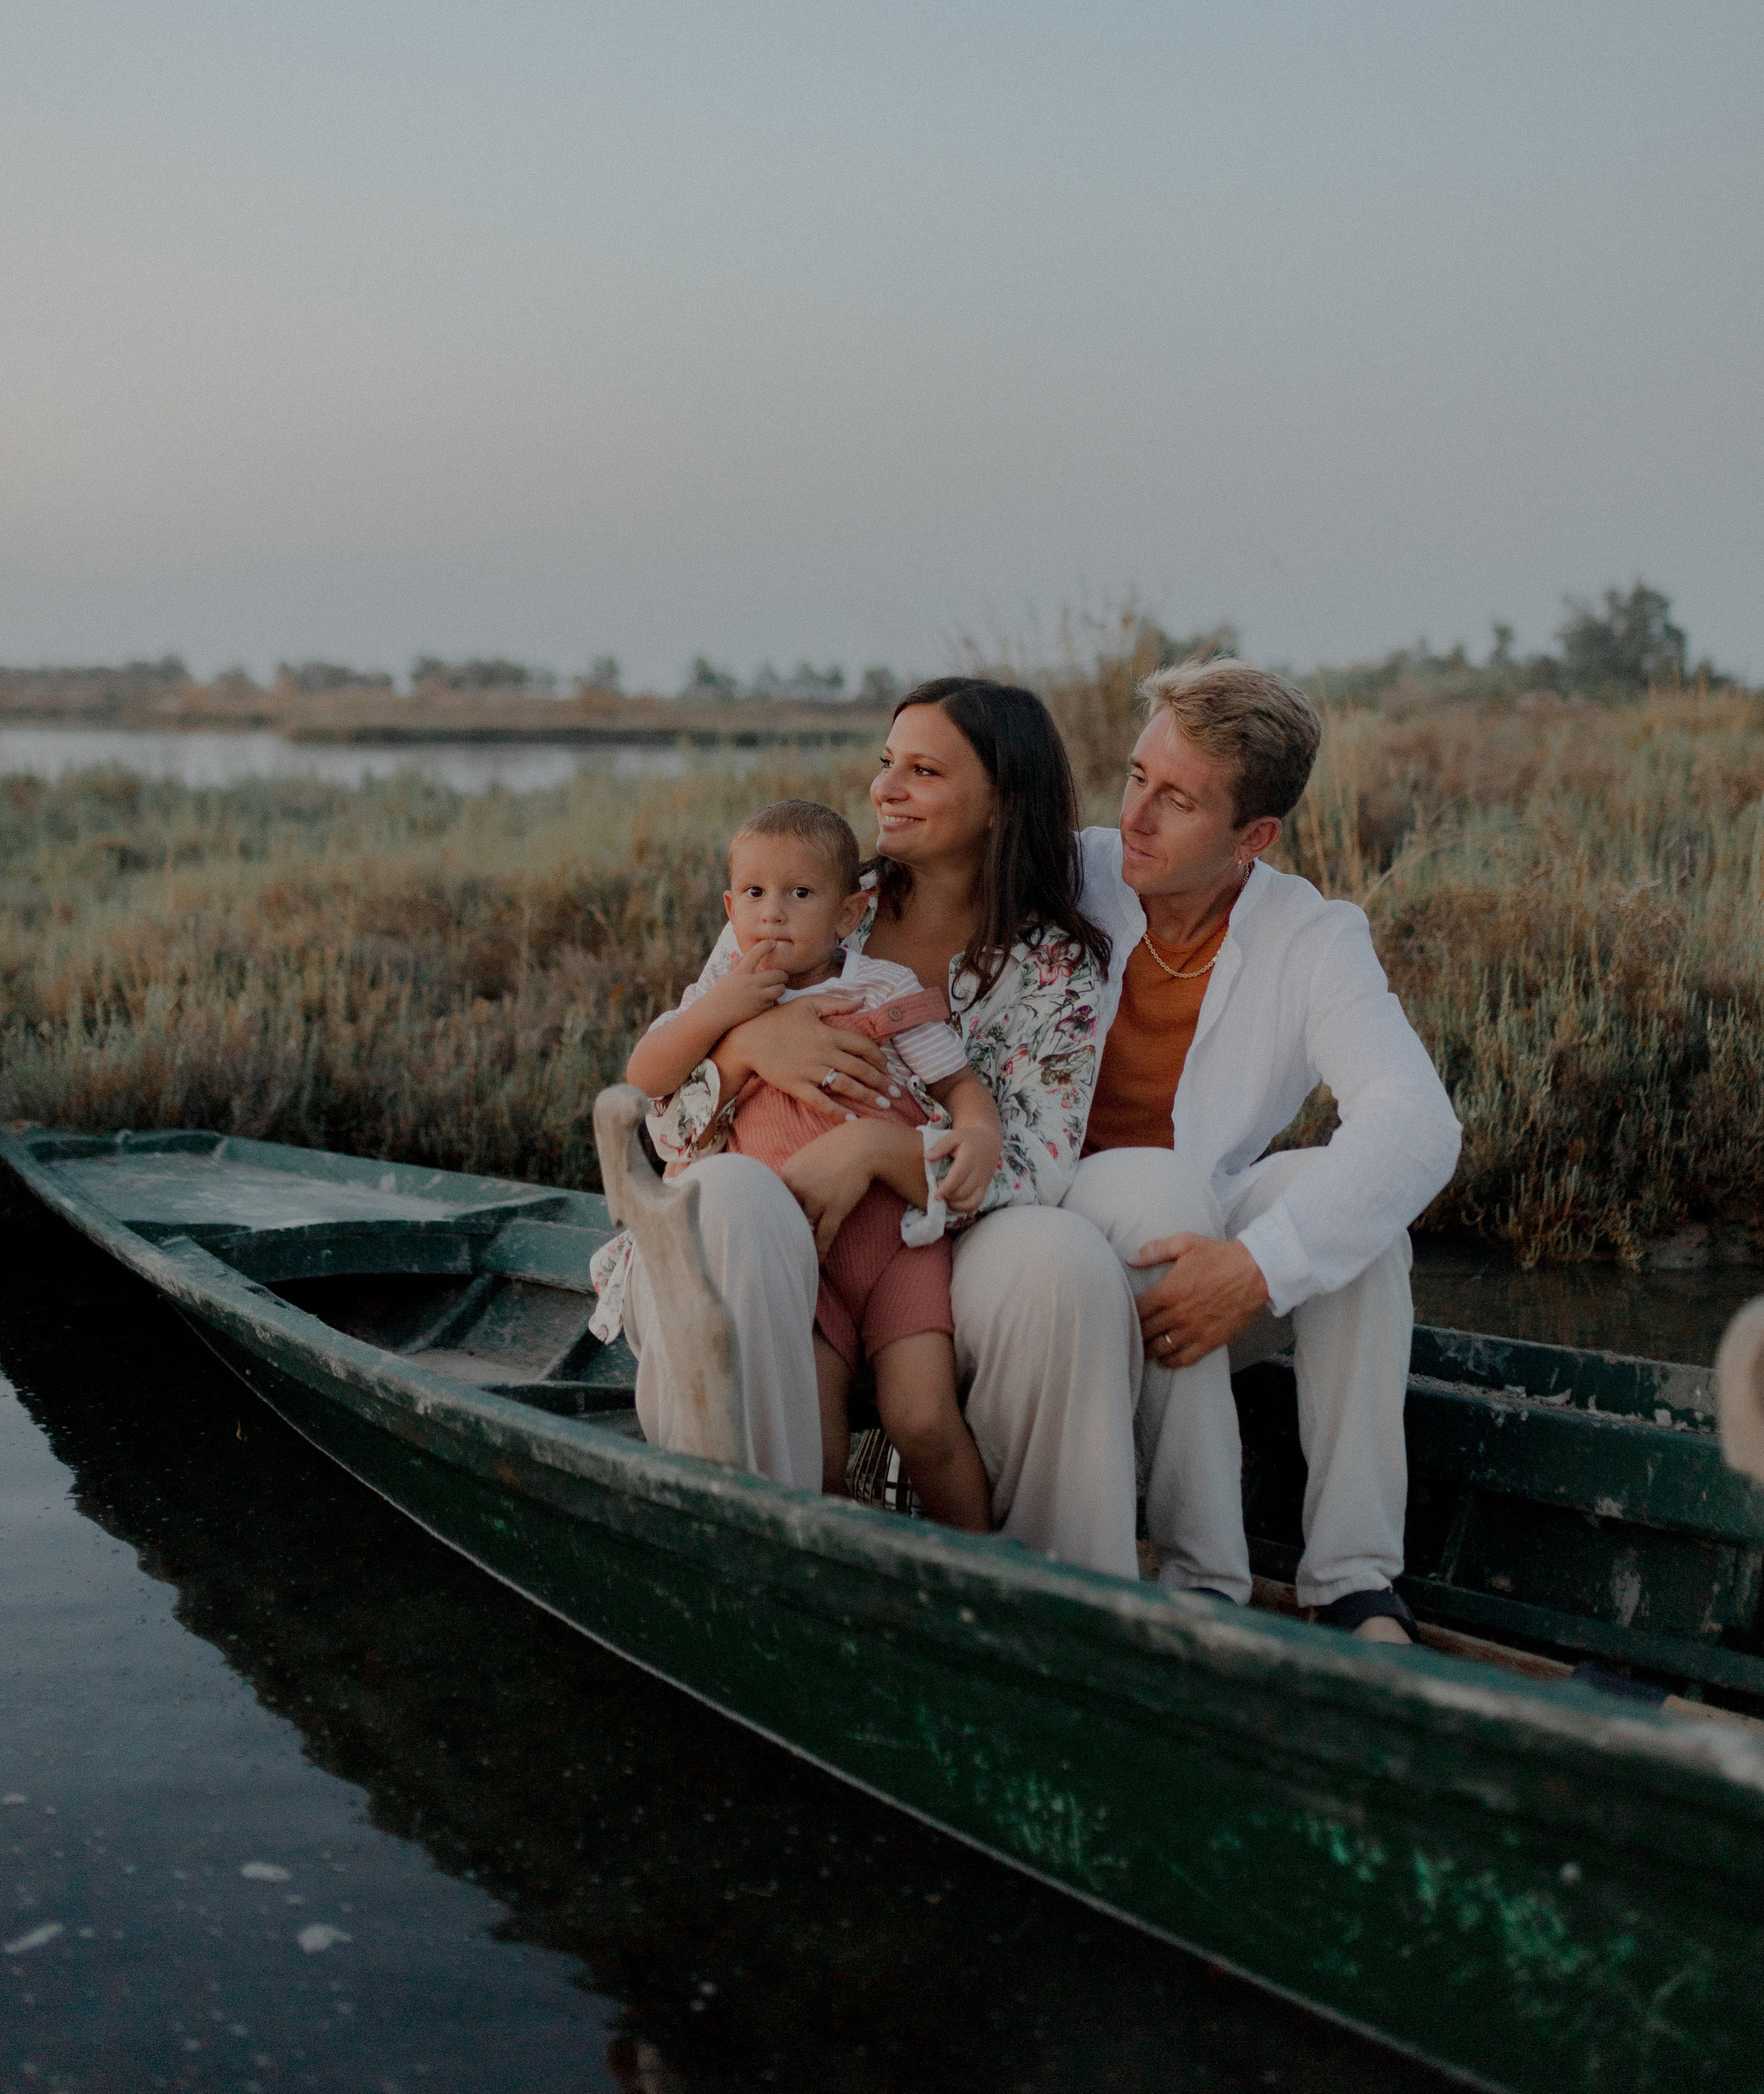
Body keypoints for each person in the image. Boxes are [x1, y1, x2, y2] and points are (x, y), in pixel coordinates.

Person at [613, 680, 1147, 1577]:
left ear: (1001, 803)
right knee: (732, 1194)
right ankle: (757, 1565)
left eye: (924, 770)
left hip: (916, 1246)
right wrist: (746, 1049)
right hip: (764, 1237)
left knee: (1065, 1258)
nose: (885, 789)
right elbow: (666, 1133)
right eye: (886, 762)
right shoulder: (799, 902)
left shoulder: (1052, 962)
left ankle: (1043, 1593)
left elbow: (1036, 1167)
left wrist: (880, 1151)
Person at [1066, 659, 1463, 1638]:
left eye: (1180, 801)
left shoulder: (1313, 936)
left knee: (1339, 1197)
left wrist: (1258, 1267)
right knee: (1160, 1194)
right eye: (1136, 778)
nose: (1138, 817)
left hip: (1190, 1259)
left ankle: (1353, 1579)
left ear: (1255, 837)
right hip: (1051, 1260)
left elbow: (1417, 1122)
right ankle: (1207, 1584)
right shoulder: (1064, 875)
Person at [612, 799, 1001, 1529]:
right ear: (730, 907)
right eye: (754, 895)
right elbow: (646, 1076)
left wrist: (978, 1130)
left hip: (897, 1247)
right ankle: (833, 1579)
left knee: (923, 1421)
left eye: (799, 894)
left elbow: (956, 1083)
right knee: (814, 1446)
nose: (773, 915)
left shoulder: (879, 988)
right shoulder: (720, 1000)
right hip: (797, 1260)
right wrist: (717, 1015)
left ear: (848, 913)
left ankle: (986, 1575)